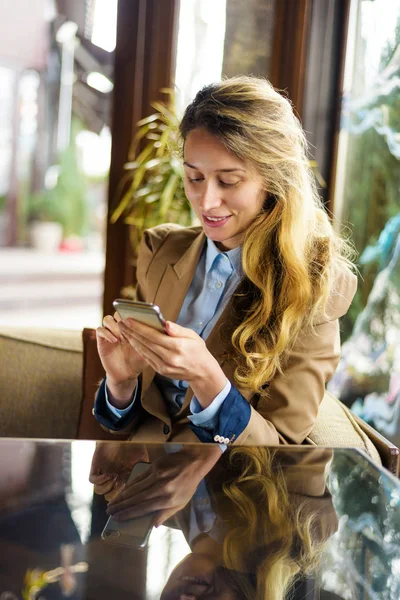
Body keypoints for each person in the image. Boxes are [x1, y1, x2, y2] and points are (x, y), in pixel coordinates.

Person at [93, 75, 357, 445]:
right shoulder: (161, 250)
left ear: (274, 179)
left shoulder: (318, 285)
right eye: (194, 177)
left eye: (228, 181)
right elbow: (131, 422)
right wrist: (121, 384)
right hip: (142, 482)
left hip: (229, 495)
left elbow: (282, 449)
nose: (206, 201)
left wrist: (206, 378)